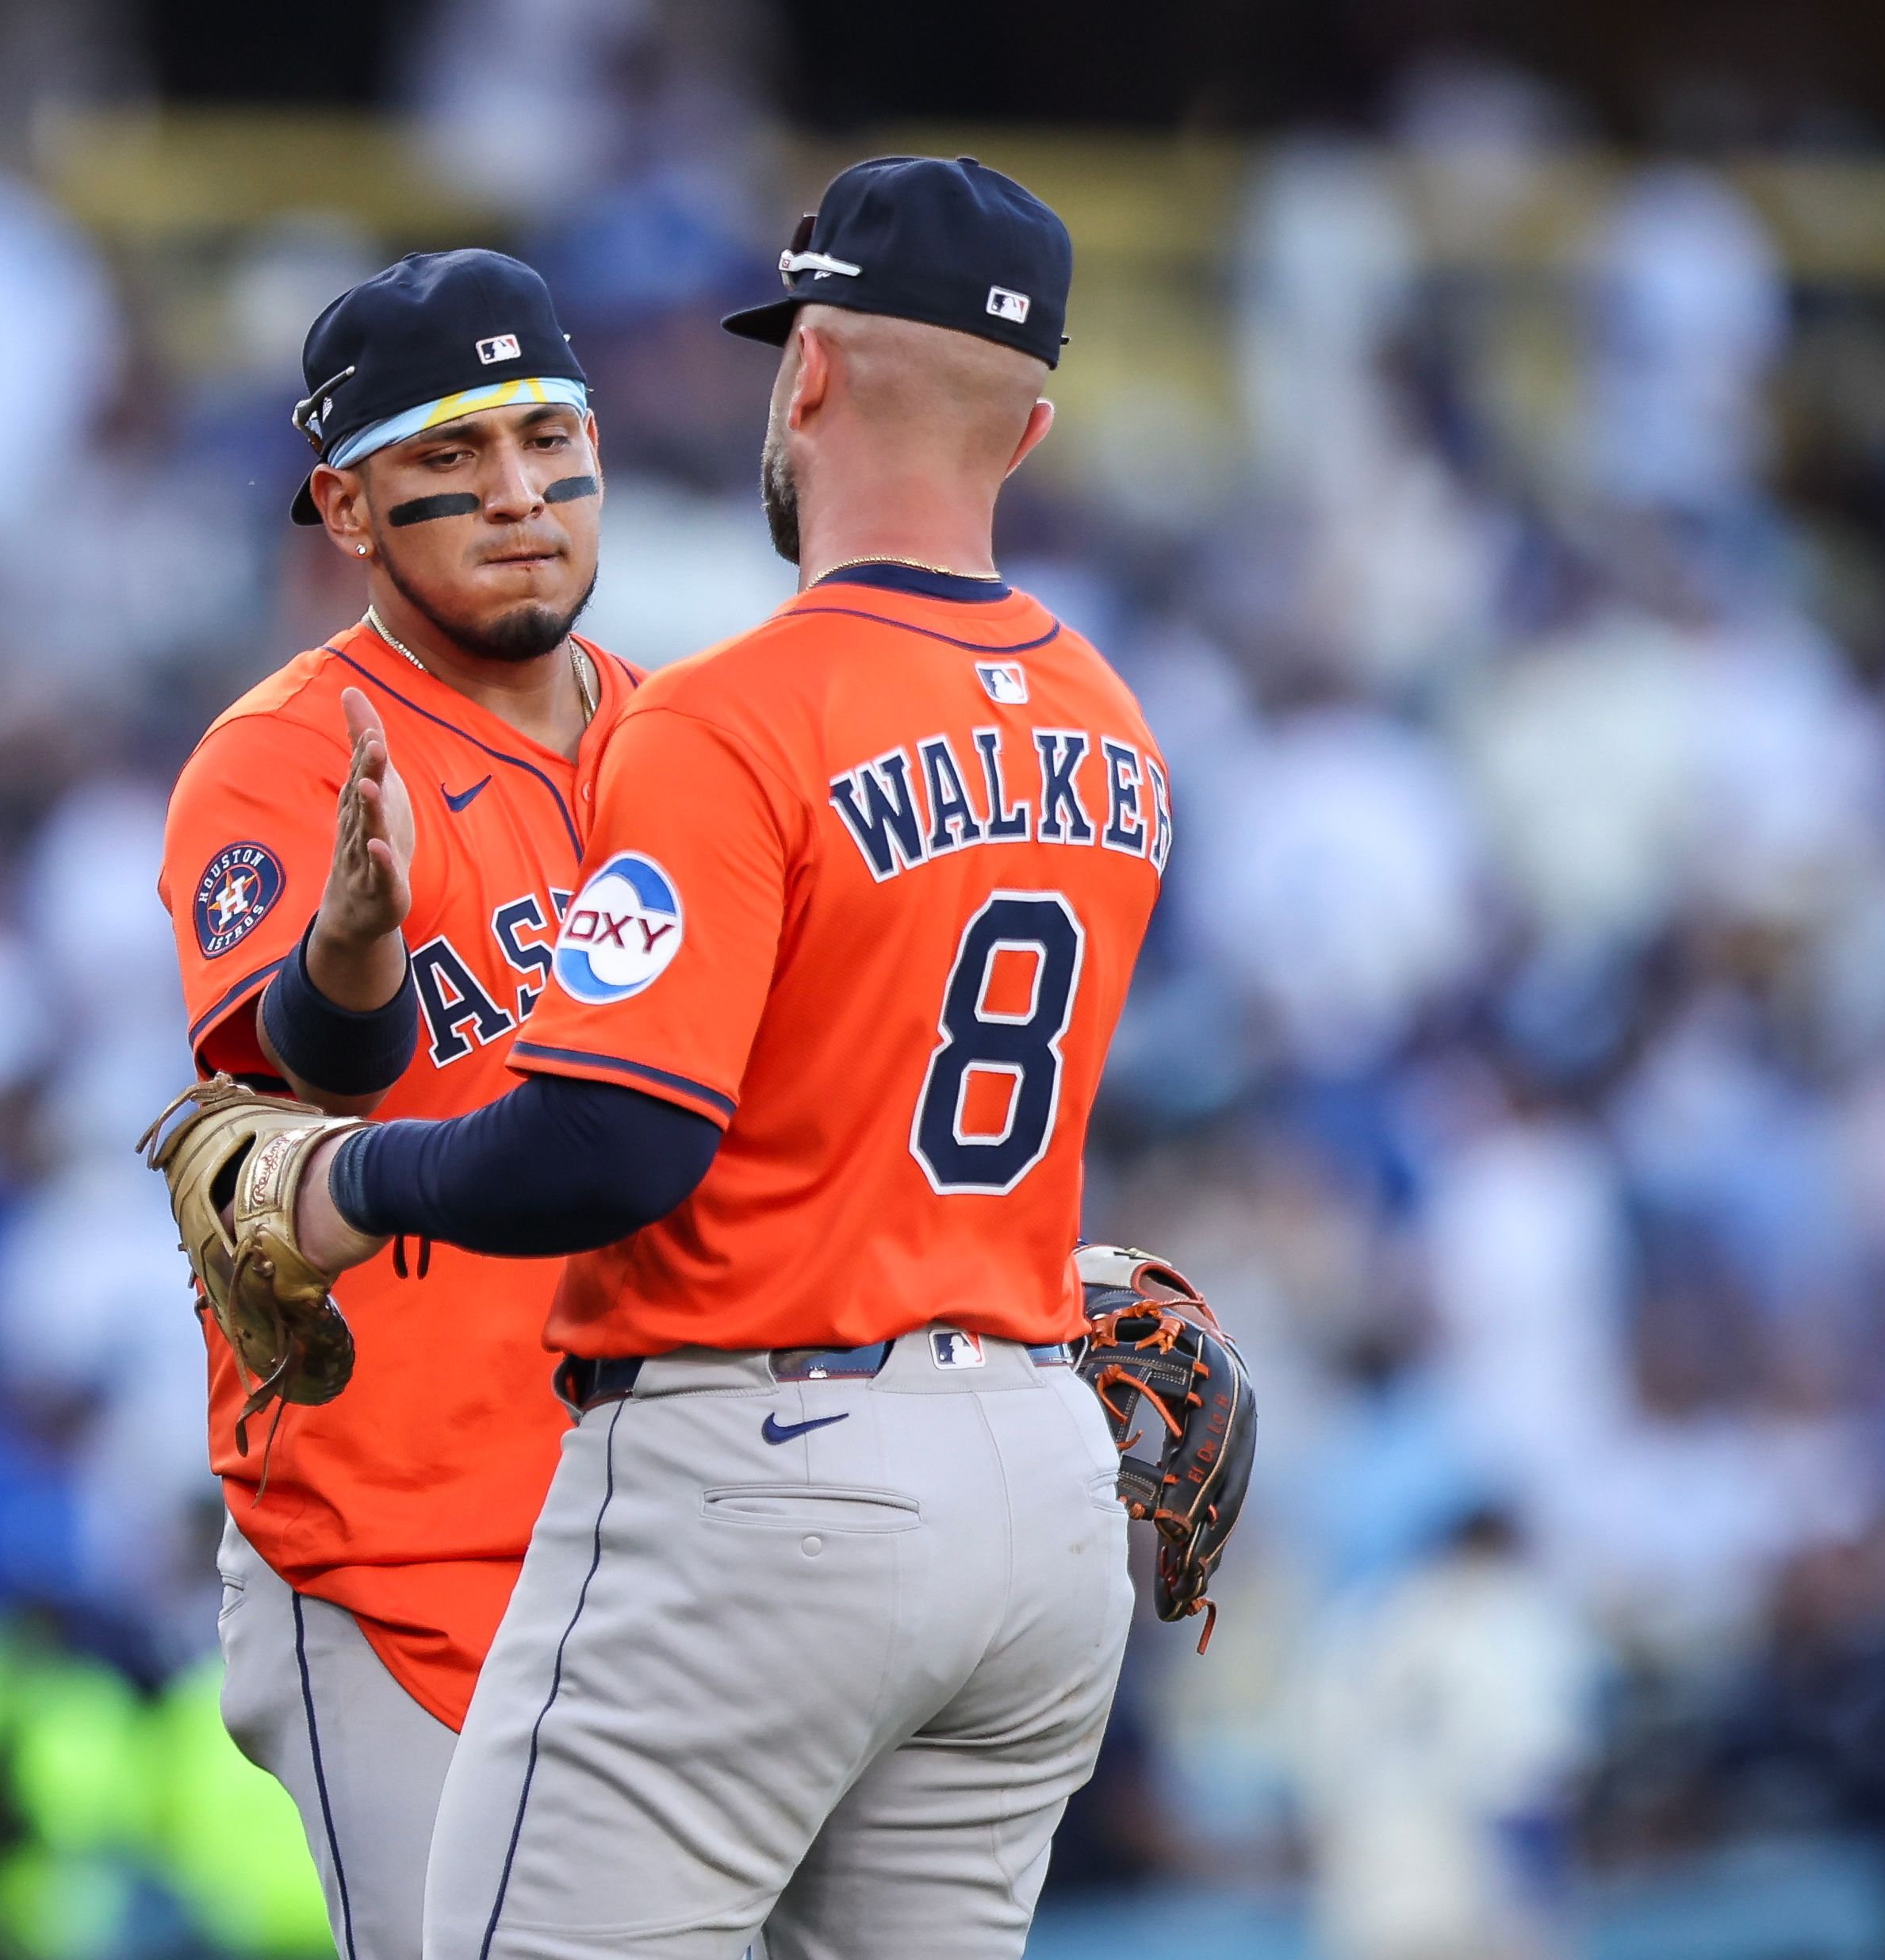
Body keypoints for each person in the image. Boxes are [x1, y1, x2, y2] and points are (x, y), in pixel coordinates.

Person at [243, 157, 1167, 1958]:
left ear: (806, 372)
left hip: (768, 1473)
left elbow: (613, 1147)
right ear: (1031, 428)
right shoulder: (1112, 725)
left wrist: (346, 1180)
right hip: (1046, 1483)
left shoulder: (729, 715)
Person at [156, 248, 638, 1960]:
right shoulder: (287, 752)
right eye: (450, 455)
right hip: (401, 1550)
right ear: (348, 508)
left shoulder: (688, 743)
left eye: (545, 436)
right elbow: (299, 1089)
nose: (517, 495)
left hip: (666, 1539)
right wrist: (355, 942)